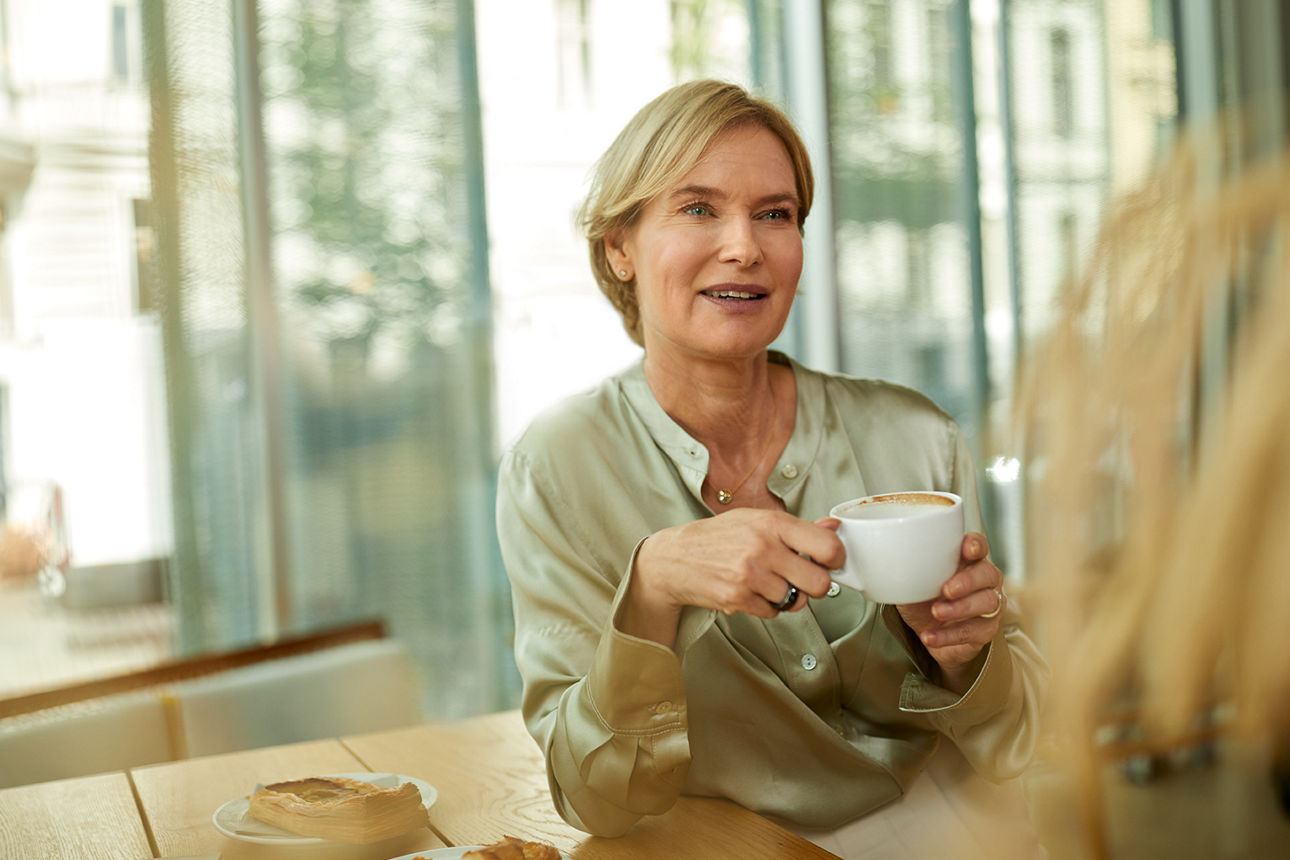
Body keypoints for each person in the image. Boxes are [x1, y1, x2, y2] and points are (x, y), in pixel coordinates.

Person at [496, 79, 1049, 859]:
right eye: (698, 208)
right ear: (619, 247)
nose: (745, 248)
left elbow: (1024, 735)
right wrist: (652, 589)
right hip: (722, 845)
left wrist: (966, 658)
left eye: (775, 214)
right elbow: (597, 799)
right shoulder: (555, 470)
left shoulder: (916, 437)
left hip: (954, 827)